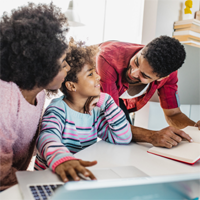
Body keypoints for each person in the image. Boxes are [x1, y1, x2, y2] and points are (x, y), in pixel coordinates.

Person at [34, 38, 132, 182]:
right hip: (50, 177)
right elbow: (46, 136)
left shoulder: (95, 111)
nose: (98, 77)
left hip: (77, 175)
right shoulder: (58, 110)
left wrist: (107, 101)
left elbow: (123, 138)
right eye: (91, 74)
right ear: (72, 86)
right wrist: (62, 159)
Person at [0, 3, 71, 190]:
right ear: (41, 66)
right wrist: (49, 183)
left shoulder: (38, 94)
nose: (68, 68)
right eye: (63, 63)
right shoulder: (4, 100)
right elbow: (1, 174)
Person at [96, 36, 197, 149]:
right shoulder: (108, 59)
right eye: (136, 61)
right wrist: (152, 136)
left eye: (144, 75)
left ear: (161, 78)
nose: (133, 73)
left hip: (115, 102)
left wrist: (195, 128)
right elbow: (113, 122)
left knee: (125, 145)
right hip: (79, 92)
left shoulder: (168, 74)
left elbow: (173, 114)